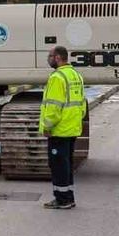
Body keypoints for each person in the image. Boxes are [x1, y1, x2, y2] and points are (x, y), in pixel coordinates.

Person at [40, 45, 85, 209]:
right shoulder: (75, 75)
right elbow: (82, 104)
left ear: (58, 57)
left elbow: (53, 107)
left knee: (58, 165)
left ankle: (62, 199)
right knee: (66, 164)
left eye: (50, 56)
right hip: (72, 128)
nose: (48, 59)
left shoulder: (57, 78)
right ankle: (68, 196)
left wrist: (47, 126)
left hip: (59, 130)